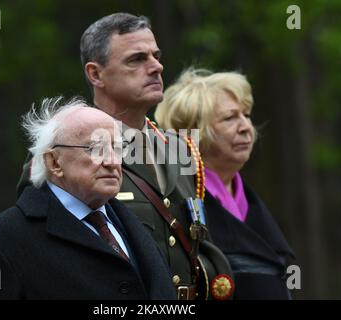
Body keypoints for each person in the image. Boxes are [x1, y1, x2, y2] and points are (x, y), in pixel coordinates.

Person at [17, 13, 233, 300]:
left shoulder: (180, 148)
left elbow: (199, 244)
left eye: (156, 56)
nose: (156, 67)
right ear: (95, 74)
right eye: (137, 59)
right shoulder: (65, 155)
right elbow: (41, 255)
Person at [0, 97, 176, 299]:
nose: (112, 161)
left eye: (117, 148)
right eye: (95, 149)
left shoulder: (130, 222)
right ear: (54, 162)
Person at [155, 68, 295, 299]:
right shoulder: (178, 204)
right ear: (192, 133)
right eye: (230, 118)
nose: (245, 127)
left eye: (246, 115)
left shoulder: (247, 199)